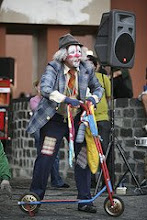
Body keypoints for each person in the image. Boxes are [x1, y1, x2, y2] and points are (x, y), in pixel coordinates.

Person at [26, 33, 104, 213]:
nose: (77, 56)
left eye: (79, 52)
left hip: (77, 120)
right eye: (72, 52)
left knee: (82, 158)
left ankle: (85, 200)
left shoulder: (86, 68)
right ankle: (34, 198)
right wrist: (66, 100)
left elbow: (98, 87)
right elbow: (45, 88)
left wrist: (92, 98)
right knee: (46, 158)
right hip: (54, 120)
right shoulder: (53, 67)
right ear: (63, 55)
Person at [29, 79, 69, 188]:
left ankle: (56, 180)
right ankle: (40, 183)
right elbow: (38, 111)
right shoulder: (34, 100)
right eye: (39, 86)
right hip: (40, 128)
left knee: (54, 156)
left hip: (53, 124)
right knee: (44, 155)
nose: (41, 88)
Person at [87, 55, 111, 188]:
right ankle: (90, 181)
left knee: (104, 150)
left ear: (97, 66)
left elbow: (108, 97)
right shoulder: (82, 78)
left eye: (92, 64)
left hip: (102, 119)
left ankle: (105, 181)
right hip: (87, 119)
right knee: (89, 151)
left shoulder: (103, 78)